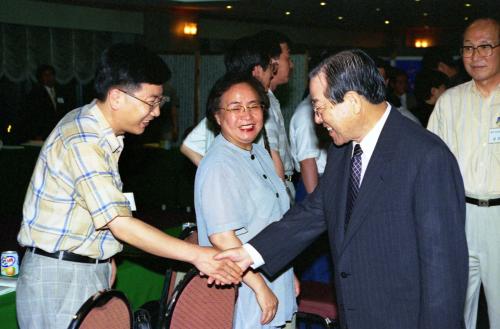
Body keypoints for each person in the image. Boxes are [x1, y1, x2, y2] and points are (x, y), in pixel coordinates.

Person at [216, 49, 469, 329]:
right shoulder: (343, 149)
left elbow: (444, 271)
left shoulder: (426, 156)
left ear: (351, 102)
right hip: (355, 313)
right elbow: (316, 211)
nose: (317, 119)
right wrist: (250, 253)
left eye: (320, 107)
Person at [16, 43, 242, 329]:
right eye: (151, 101)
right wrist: (198, 255)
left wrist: (104, 256)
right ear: (116, 97)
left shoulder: (99, 132)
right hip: (62, 277)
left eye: (160, 102)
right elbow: (120, 223)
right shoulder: (84, 139)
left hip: (81, 268)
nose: (157, 112)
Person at [195, 73, 297, 328]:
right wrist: (261, 287)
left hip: (275, 279)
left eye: (254, 106)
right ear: (217, 116)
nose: (247, 116)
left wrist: (288, 274)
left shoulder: (257, 151)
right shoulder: (220, 165)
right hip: (247, 289)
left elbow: (273, 221)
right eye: (235, 108)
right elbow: (223, 239)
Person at [427, 17, 500, 329]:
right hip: (458, 216)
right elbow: (430, 168)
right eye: (468, 48)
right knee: (453, 310)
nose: (476, 55)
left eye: (485, 46)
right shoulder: (449, 102)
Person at [180, 35, 278, 167]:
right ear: (258, 70)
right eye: (271, 68)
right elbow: (188, 147)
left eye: (253, 106)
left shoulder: (223, 99)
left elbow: (189, 146)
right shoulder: (232, 105)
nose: (272, 74)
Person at [25, 64, 68, 140]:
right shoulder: (35, 93)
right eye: (45, 75)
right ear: (40, 77)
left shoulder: (61, 91)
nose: (49, 77)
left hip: (60, 132)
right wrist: (37, 134)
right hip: (43, 134)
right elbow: (32, 117)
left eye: (51, 74)